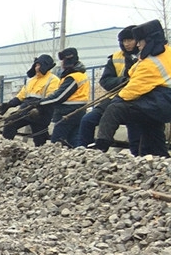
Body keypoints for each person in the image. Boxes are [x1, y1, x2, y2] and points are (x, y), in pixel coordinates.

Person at [94, 19, 171, 157]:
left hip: (160, 102)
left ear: (149, 40)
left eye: (140, 42)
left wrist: (116, 100)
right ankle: (160, 159)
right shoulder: (165, 53)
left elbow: (131, 91)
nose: (139, 46)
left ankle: (101, 147)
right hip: (161, 104)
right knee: (152, 133)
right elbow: (134, 73)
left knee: (115, 109)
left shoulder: (151, 63)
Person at [77, 26, 141, 154]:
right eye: (124, 41)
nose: (127, 44)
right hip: (114, 99)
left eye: (130, 40)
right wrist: (122, 81)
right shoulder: (115, 58)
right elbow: (105, 80)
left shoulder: (145, 56)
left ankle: (137, 160)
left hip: (136, 101)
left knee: (135, 133)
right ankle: (84, 152)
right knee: (87, 120)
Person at [0, 54, 60, 147]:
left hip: (42, 113)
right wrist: (9, 104)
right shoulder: (31, 80)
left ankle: (40, 153)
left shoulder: (53, 80)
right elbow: (22, 95)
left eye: (39, 65)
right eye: (36, 65)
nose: (36, 68)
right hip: (27, 110)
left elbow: (50, 98)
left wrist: (38, 108)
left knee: (39, 139)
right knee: (10, 122)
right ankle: (6, 146)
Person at [34, 47, 91, 147]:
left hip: (68, 113)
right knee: (74, 140)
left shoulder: (73, 77)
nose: (61, 64)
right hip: (78, 112)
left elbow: (59, 97)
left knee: (56, 142)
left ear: (67, 61)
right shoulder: (79, 75)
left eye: (63, 60)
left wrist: (40, 103)